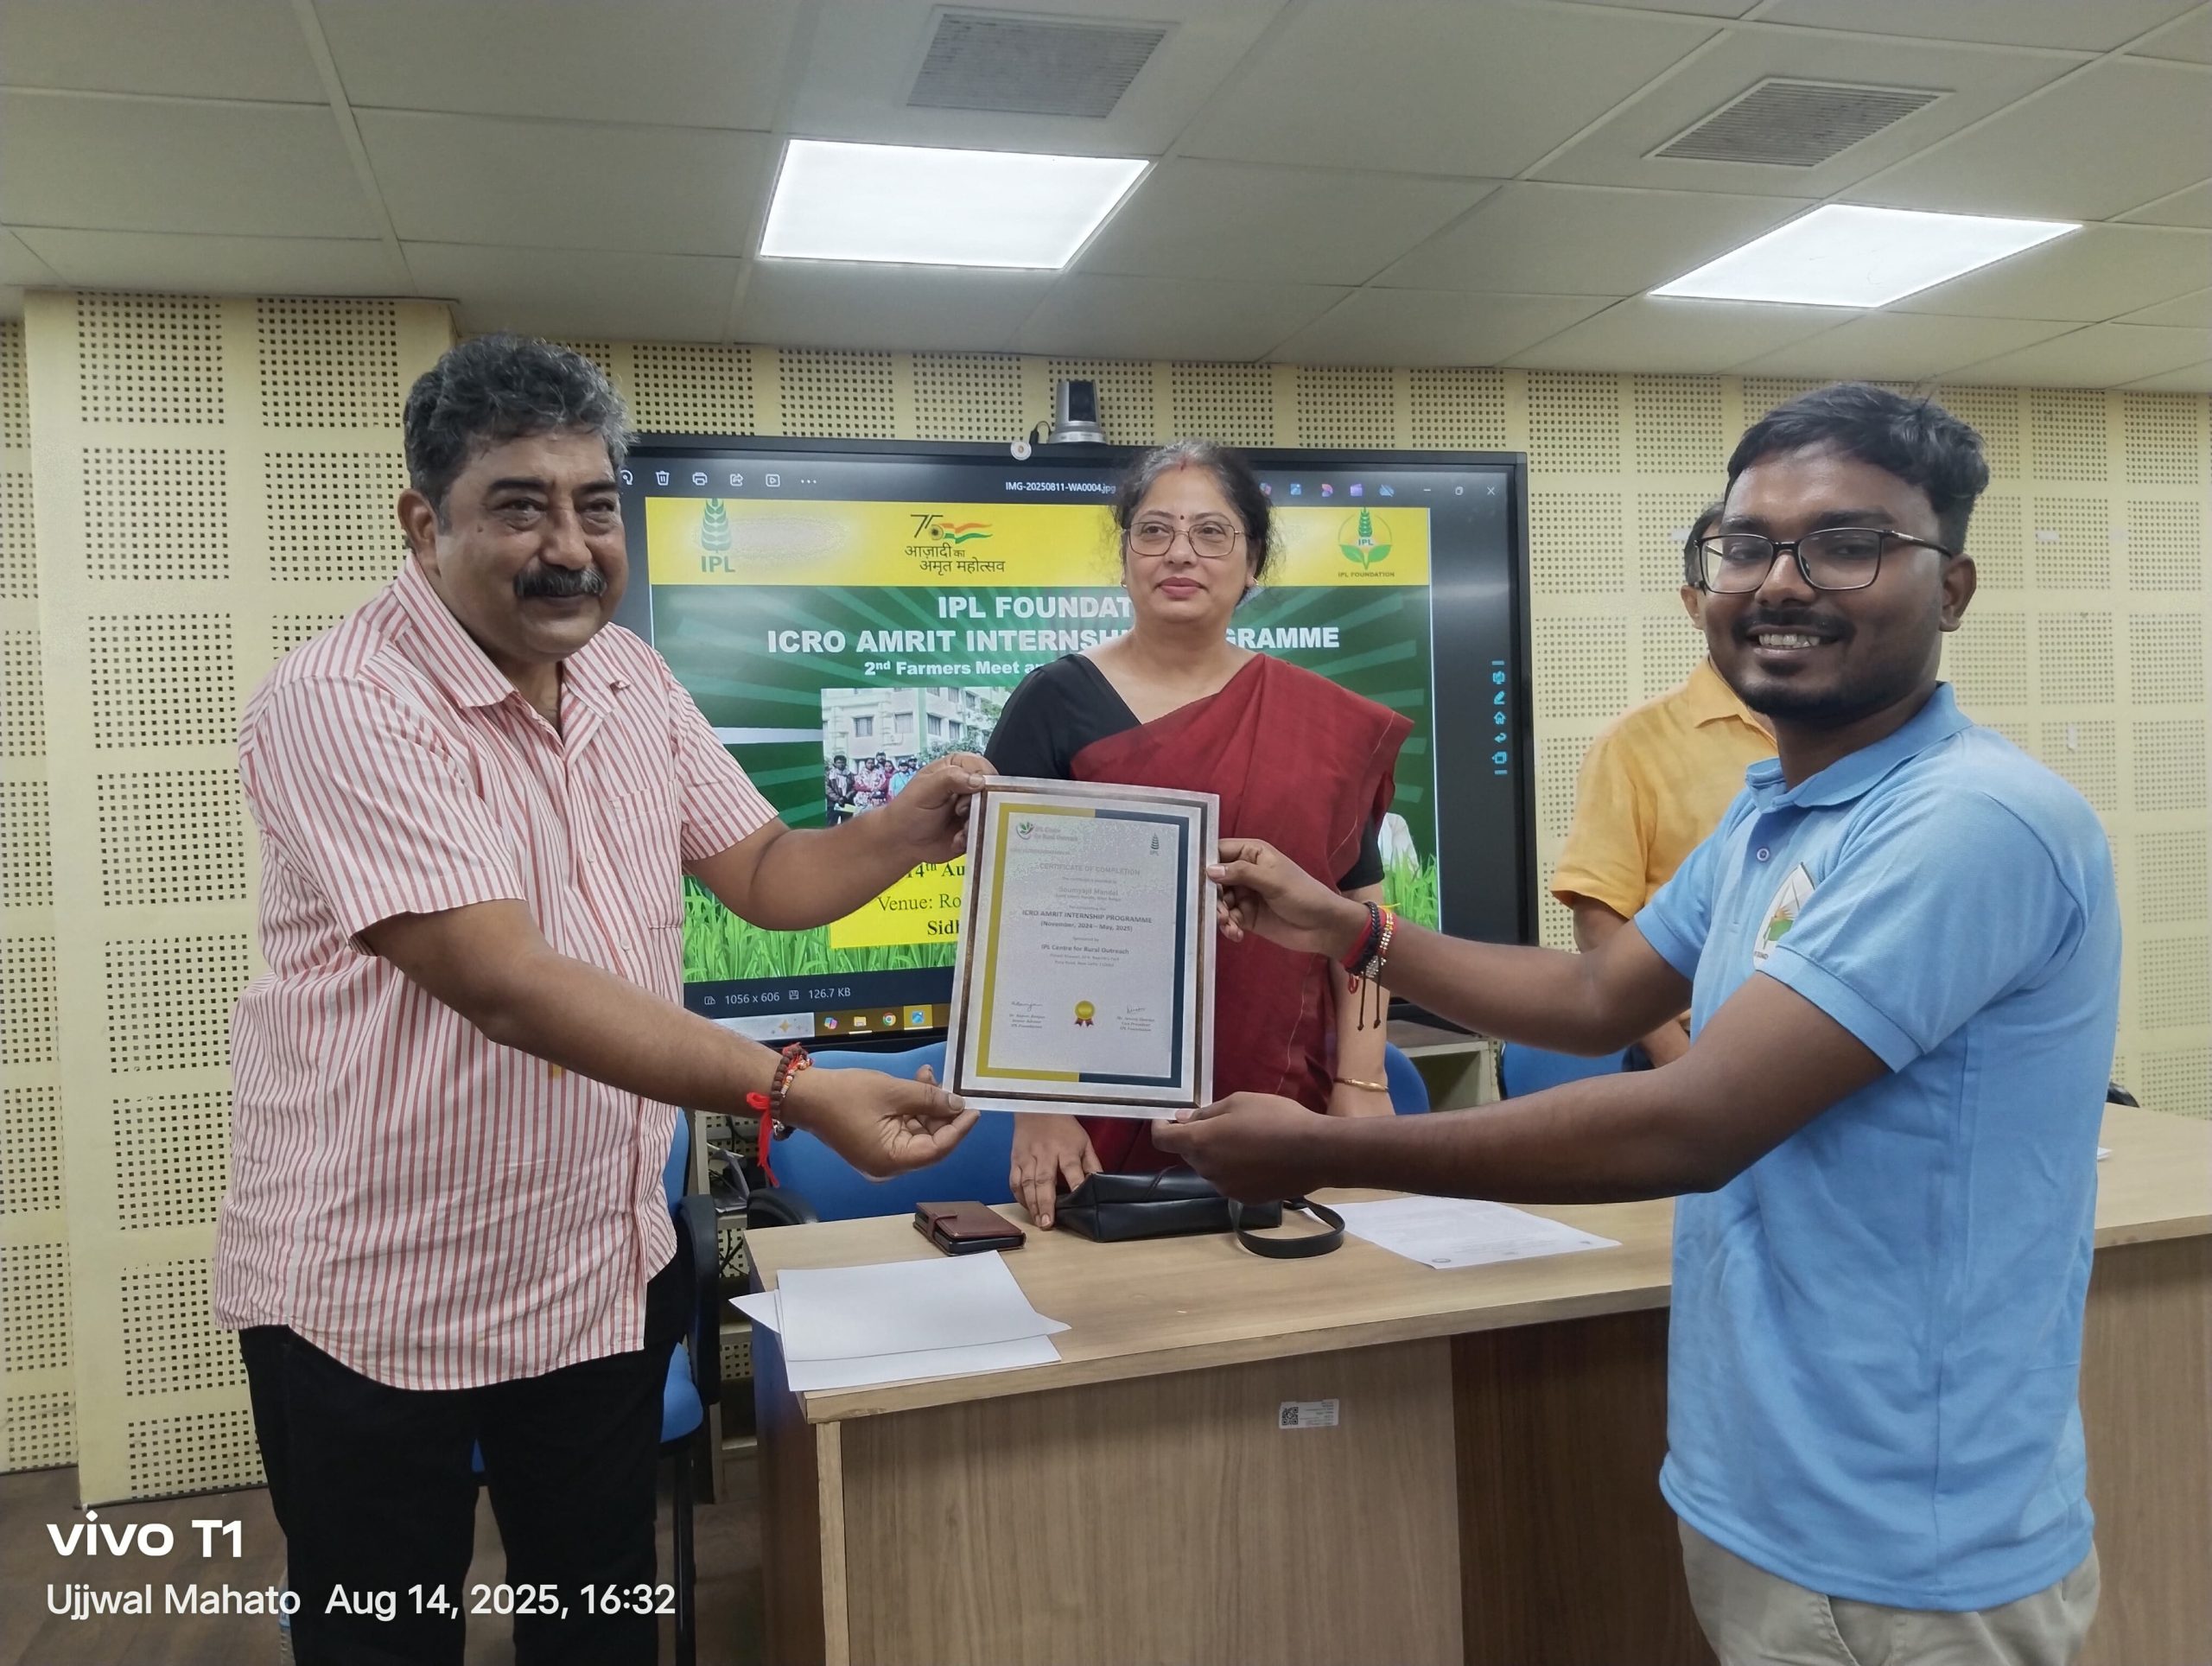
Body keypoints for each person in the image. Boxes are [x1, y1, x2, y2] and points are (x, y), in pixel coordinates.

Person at [1160, 385, 2116, 1665]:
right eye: (1745, 544)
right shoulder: (1779, 808)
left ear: (1951, 589)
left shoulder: (1967, 822)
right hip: (1774, 1492)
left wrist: (1323, 1150)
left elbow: (1693, 1123)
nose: (1781, 583)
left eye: (1847, 545)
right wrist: (1352, 929)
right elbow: (1600, 998)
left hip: (1905, 1544)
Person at [217, 335, 977, 1666]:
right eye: (520, 507)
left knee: (598, 1617)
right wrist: (792, 1089)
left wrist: (901, 831)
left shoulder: (633, 677)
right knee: (381, 1637)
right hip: (376, 1282)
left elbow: (764, 873)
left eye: (595, 506)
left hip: (594, 1263)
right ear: (424, 523)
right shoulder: (342, 699)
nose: (570, 547)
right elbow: (506, 983)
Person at [985, 439, 1410, 1227]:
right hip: (1095, 1102)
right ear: (1125, 558)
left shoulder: (1318, 724)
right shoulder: (1053, 703)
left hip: (1287, 1101)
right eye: (1154, 531)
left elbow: (1366, 918)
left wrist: (1363, 1082)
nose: (1180, 553)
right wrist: (1036, 1105)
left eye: (1212, 532)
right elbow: (1009, 924)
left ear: (1253, 564)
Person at [1551, 501, 1773, 1067]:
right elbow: (1599, 920)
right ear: (1693, 604)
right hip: (1695, 1051)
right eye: (1740, 564)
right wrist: (1685, 1069)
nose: (1771, 593)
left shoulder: (1852, 734)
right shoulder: (1633, 744)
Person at [824, 751, 856, 824]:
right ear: (835, 764)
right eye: (839, 763)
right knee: (831, 824)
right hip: (833, 803)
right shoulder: (829, 774)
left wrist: (846, 797)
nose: (841, 764)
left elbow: (854, 787)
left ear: (845, 763)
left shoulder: (850, 775)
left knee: (847, 824)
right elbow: (827, 788)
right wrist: (837, 799)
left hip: (847, 802)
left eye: (843, 762)